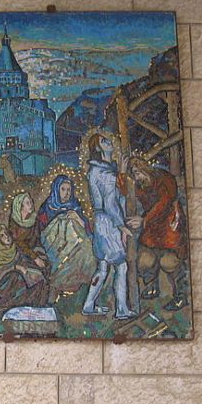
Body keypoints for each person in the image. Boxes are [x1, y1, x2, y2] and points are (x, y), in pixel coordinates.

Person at [122, 157, 189, 311]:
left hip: (169, 226)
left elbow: (164, 203)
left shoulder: (163, 178)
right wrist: (121, 173)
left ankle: (181, 295)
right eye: (134, 175)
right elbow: (125, 191)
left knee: (169, 261)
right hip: (152, 229)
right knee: (144, 259)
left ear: (144, 168)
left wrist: (144, 220)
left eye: (138, 172)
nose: (137, 177)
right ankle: (152, 286)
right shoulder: (141, 185)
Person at [81, 133, 135, 320]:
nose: (109, 142)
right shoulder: (104, 173)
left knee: (103, 268)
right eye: (104, 141)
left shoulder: (100, 170)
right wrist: (121, 226)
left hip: (101, 222)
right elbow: (111, 203)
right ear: (98, 149)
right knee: (121, 266)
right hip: (109, 223)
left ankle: (88, 305)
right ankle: (121, 309)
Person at [36, 175, 95, 289]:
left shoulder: (75, 205)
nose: (66, 193)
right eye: (63, 189)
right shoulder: (47, 207)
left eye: (69, 190)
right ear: (56, 189)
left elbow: (86, 228)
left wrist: (77, 218)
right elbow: (41, 231)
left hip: (75, 244)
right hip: (54, 244)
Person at [0, 224, 50, 315]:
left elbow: (24, 260)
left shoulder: (14, 248)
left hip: (18, 281)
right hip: (1, 290)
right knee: (16, 276)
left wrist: (32, 268)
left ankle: (35, 307)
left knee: (38, 278)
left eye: (6, 233)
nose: (6, 237)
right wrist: (15, 268)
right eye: (2, 236)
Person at [8, 192, 50, 279]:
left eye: (31, 202)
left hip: (34, 250)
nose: (31, 205)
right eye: (27, 203)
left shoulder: (34, 219)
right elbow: (18, 243)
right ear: (20, 206)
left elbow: (37, 238)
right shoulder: (14, 222)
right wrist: (35, 258)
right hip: (19, 254)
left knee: (45, 266)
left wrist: (38, 255)